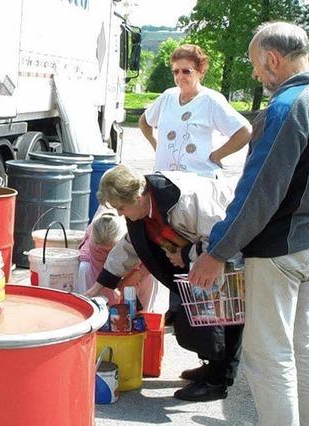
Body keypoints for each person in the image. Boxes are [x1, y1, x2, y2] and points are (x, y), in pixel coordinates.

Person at [189, 22, 309, 425]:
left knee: (268, 356)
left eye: (257, 66)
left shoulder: (285, 108)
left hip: (279, 250)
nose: (256, 74)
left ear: (272, 60)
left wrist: (218, 250)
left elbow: (259, 191)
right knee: (304, 350)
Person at [85, 164, 243, 402]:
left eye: (121, 208)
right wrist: (99, 286)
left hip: (225, 252)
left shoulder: (184, 202)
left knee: (223, 315)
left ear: (138, 198)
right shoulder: (143, 205)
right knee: (199, 316)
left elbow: (223, 234)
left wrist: (186, 253)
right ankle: (212, 367)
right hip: (199, 254)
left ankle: (217, 381)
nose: (119, 214)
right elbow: (130, 246)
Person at [139, 44, 252, 178]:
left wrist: (216, 156)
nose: (180, 76)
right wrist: (155, 144)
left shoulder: (210, 100)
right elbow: (144, 121)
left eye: (186, 71)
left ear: (200, 72)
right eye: (176, 71)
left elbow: (244, 132)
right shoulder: (167, 97)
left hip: (198, 183)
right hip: (164, 180)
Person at [78, 211, 156, 310]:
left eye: (113, 249)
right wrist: (114, 303)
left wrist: (136, 275)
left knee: (151, 276)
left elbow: (150, 260)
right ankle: (98, 309)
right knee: (85, 267)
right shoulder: (96, 244)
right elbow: (101, 276)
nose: (110, 254)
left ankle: (146, 312)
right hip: (102, 266)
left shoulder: (135, 232)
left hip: (138, 263)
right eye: (106, 250)